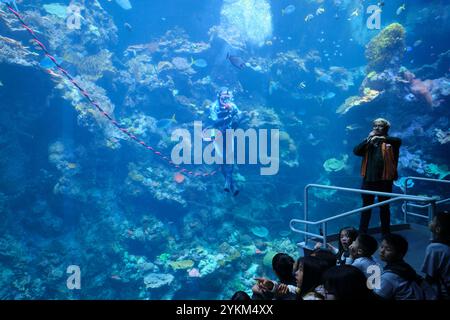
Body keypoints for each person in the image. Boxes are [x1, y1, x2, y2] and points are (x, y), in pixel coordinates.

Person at [353, 118, 402, 235]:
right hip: (368, 180)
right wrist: (368, 139)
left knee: (384, 208)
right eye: (375, 126)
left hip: (385, 181)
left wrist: (380, 138)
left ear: (386, 128)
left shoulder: (391, 142)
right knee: (366, 208)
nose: (376, 128)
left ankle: (385, 234)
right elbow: (356, 151)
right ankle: (362, 234)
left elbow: (398, 141)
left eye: (380, 126)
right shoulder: (369, 142)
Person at [207, 87, 242, 196]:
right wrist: (229, 116)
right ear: (219, 97)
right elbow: (214, 122)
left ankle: (229, 182)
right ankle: (231, 183)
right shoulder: (214, 106)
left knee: (229, 158)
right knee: (221, 159)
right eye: (224, 97)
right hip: (216, 134)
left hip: (229, 133)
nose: (226, 99)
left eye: (228, 97)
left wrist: (237, 117)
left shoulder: (233, 106)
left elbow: (239, 114)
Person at [375, 233, 425, 300]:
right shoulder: (405, 266)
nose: (382, 251)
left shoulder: (388, 277)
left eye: (388, 249)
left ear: (399, 255)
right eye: (381, 246)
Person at [421, 210, 450, 299]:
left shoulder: (434, 248)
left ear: (438, 229)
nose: (430, 222)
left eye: (433, 221)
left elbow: (430, 276)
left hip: (445, 292)